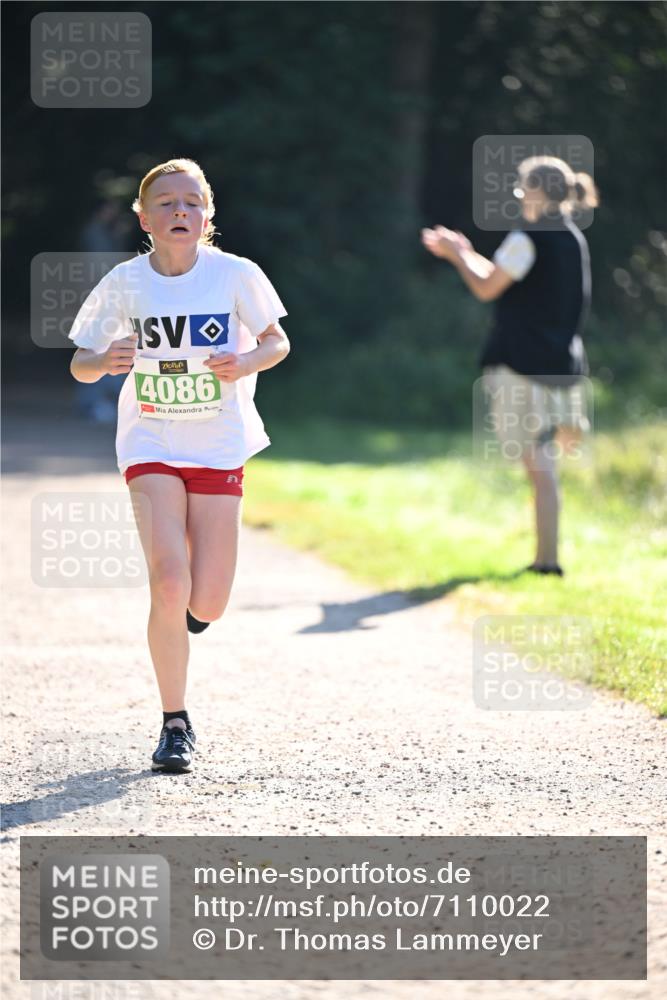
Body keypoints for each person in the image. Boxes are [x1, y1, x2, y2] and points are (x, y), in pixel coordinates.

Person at [68, 158, 290, 772]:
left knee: (207, 601)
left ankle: (188, 616)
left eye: (191, 202)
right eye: (165, 203)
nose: (179, 212)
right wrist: (104, 359)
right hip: (151, 443)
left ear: (208, 214)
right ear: (143, 217)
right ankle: (175, 722)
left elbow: (277, 341)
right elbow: (81, 363)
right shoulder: (125, 283)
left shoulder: (236, 275)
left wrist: (247, 363)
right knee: (169, 580)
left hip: (218, 445)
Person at [421, 155, 598, 577]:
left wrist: (454, 256)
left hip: (522, 365)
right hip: (562, 365)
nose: (519, 197)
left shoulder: (527, 236)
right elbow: (503, 278)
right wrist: (465, 252)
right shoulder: (571, 236)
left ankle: (547, 562)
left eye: (521, 189)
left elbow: (485, 288)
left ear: (536, 192)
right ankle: (546, 557)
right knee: (543, 463)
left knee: (539, 464)